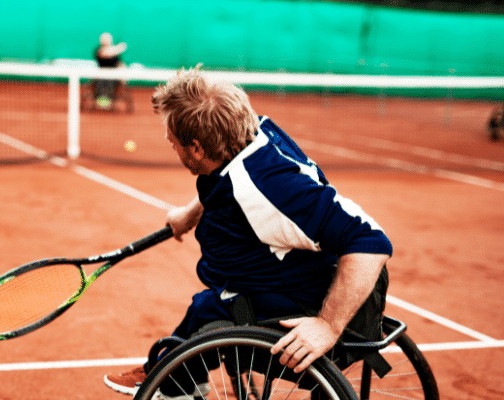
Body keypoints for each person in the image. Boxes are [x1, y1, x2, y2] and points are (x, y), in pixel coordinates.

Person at [103, 66, 392, 398]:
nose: (173, 147)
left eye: (173, 144)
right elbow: (230, 175)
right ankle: (180, 376)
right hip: (296, 273)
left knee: (215, 307)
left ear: (196, 148)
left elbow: (370, 242)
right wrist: (191, 211)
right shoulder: (249, 132)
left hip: (324, 299)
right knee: (209, 305)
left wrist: (327, 325)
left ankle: (177, 379)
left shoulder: (276, 188)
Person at [92, 32, 127, 108]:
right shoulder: (99, 50)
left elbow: (120, 63)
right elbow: (105, 54)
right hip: (100, 77)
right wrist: (119, 48)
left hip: (113, 78)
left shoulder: (115, 54)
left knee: (113, 83)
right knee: (100, 83)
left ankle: (110, 100)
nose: (105, 41)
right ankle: (100, 100)